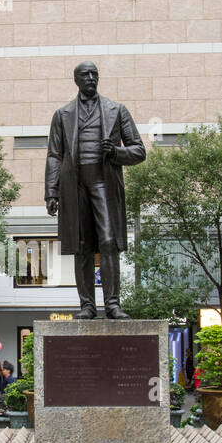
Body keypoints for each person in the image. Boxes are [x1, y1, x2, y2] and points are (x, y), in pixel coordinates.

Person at [44, 61, 147, 319]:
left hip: (104, 184)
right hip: (75, 186)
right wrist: (51, 191)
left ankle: (112, 304)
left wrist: (116, 152)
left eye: (94, 74)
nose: (91, 78)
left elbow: (138, 150)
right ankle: (87, 306)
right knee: (82, 247)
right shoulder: (62, 114)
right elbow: (54, 155)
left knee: (109, 243)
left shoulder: (116, 110)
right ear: (76, 80)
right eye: (85, 75)